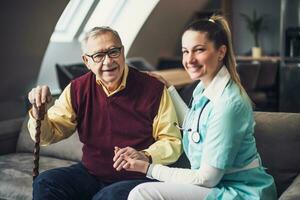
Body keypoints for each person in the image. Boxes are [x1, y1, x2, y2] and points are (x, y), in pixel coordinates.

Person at [115, 15, 277, 200]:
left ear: (221, 52)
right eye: (185, 51)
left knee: (141, 193)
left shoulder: (228, 105)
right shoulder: (203, 88)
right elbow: (196, 127)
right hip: (219, 185)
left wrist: (148, 168)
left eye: (198, 50)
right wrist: (169, 89)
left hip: (241, 192)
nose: (189, 59)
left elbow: (206, 179)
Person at [27, 26, 182, 200]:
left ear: (122, 52)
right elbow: (49, 135)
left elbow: (172, 141)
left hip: (139, 178)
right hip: (91, 173)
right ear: (87, 61)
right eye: (98, 56)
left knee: (106, 197)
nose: (108, 62)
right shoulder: (77, 89)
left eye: (113, 52)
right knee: (46, 182)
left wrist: (145, 155)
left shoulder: (153, 88)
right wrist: (38, 113)